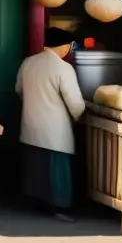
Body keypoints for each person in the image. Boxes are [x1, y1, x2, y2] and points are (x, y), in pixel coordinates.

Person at [15, 26, 86, 221]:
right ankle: (61, 208)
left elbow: (19, 90)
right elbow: (75, 103)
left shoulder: (28, 63)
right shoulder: (63, 68)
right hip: (56, 130)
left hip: (31, 124)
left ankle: (36, 204)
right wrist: (79, 120)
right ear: (64, 47)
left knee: (35, 166)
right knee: (58, 169)